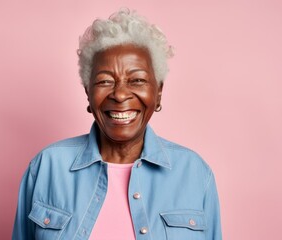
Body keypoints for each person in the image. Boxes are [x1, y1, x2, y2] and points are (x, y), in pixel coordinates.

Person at [12, 9, 222, 240]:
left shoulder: (194, 172)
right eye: (104, 81)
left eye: (137, 80)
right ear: (88, 93)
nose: (120, 95)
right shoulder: (46, 167)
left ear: (158, 92)